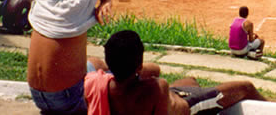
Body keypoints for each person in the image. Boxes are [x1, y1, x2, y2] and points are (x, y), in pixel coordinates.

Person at [85, 30, 266, 115]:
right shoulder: (156, 88)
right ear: (138, 66)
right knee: (246, 87)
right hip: (187, 108)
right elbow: (155, 70)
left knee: (190, 80)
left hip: (172, 96)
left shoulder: (94, 82)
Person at [28, 0, 113, 115]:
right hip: (68, 98)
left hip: (37, 95)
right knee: (130, 79)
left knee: (95, 63)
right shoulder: (78, 2)